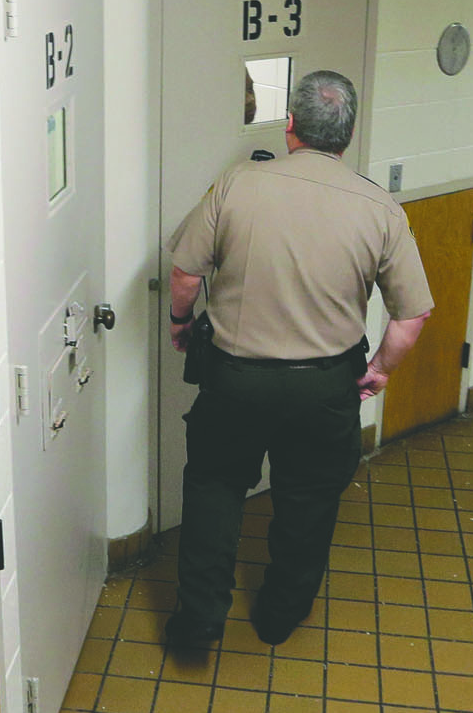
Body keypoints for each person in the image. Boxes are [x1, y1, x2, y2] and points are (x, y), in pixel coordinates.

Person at [164, 69, 433, 656]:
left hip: (234, 381)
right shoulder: (381, 208)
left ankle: (200, 622)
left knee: (214, 489)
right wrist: (380, 370)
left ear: (290, 125)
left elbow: (184, 274)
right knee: (308, 501)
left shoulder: (237, 184)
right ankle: (279, 617)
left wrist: (182, 322)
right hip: (325, 386)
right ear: (348, 134)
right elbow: (411, 317)